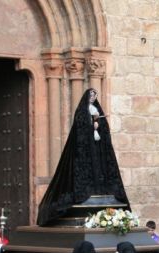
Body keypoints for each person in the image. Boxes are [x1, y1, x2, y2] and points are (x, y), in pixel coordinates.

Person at [37, 88, 130, 226]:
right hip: (85, 151)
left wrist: (99, 124)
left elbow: (104, 129)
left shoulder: (96, 109)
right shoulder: (82, 111)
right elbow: (79, 128)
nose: (93, 97)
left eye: (95, 95)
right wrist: (91, 124)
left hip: (97, 149)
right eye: (91, 95)